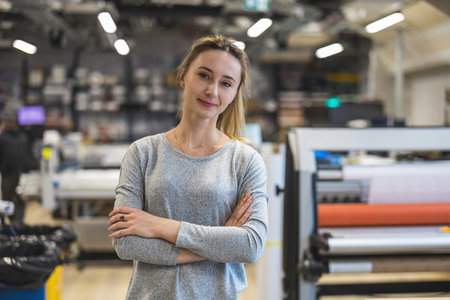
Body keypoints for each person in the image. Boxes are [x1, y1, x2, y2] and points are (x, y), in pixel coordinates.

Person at [108, 34, 268, 299]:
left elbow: (251, 245)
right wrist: (221, 241)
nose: (212, 91)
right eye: (204, 75)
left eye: (226, 83)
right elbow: (125, 243)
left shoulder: (245, 161)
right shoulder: (142, 153)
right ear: (183, 77)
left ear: (234, 93)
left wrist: (159, 226)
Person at [0, 111, 33, 225]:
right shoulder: (23, 137)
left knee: (7, 200)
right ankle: (18, 223)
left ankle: (7, 226)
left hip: (8, 173)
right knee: (19, 199)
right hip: (24, 173)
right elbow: (29, 154)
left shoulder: (2, 138)